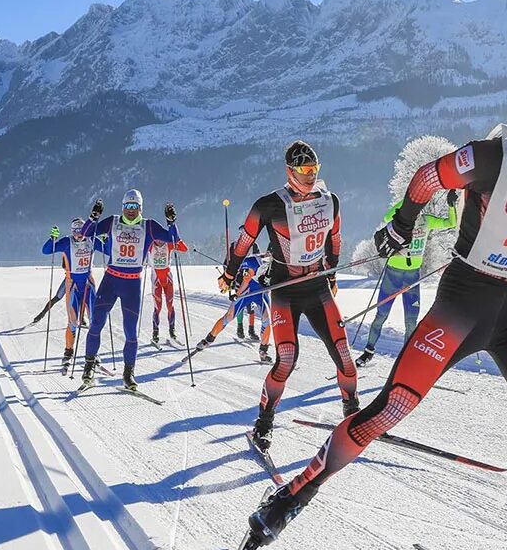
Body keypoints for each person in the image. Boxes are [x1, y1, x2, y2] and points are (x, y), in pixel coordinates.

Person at [248, 67, 507, 550]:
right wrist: (401, 226)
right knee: (387, 411)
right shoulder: (493, 158)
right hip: (464, 301)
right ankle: (292, 496)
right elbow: (428, 177)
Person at [221, 141, 356, 451]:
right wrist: (230, 273)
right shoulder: (269, 205)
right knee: (286, 359)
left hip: (317, 286)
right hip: (285, 289)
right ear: (289, 171)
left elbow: (335, 240)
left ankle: (353, 414)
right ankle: (263, 425)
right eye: (304, 170)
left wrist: (331, 272)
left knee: (345, 356)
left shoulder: (330, 200)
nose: (310, 176)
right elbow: (244, 242)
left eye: (314, 170)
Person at [78, 190, 181, 391]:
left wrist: (171, 222)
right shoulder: (113, 222)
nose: (131, 210)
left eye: (135, 207)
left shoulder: (149, 226)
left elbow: (174, 241)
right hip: (111, 280)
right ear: (123, 206)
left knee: (131, 332)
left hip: (132, 284)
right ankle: (89, 366)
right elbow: (85, 233)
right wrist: (94, 217)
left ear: (140, 208)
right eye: (128, 206)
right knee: (96, 323)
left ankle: (128, 374)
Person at [356, 189, 460, 366]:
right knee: (381, 314)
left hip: (413, 276)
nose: (420, 206)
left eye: (422, 202)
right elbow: (387, 218)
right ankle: (368, 352)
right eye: (417, 202)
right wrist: (406, 205)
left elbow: (451, 223)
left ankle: (406, 358)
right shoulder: (400, 217)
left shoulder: (427, 220)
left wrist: (452, 205)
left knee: (411, 320)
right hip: (393, 274)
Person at [41, 212, 99, 374]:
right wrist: (52, 238)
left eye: (82, 231)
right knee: (73, 321)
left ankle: (93, 353)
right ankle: (68, 352)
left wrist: (107, 239)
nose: (79, 234)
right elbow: (46, 251)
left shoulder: (91, 240)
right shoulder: (67, 242)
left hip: (89, 283)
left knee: (95, 319)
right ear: (71, 231)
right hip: (72, 284)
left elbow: (108, 249)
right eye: (75, 231)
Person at [194, 248, 273, 362]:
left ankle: (263, 351)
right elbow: (246, 281)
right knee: (229, 316)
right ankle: (208, 340)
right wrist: (237, 294)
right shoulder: (253, 261)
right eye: (270, 254)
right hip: (248, 290)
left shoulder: (277, 264)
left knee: (267, 319)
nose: (270, 257)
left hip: (262, 292)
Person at [147, 227, 190, 346]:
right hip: (156, 279)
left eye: (162, 239)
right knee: (158, 307)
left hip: (167, 278)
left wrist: (176, 238)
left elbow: (184, 248)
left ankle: (172, 331)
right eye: (158, 239)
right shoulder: (150, 245)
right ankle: (155, 333)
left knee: (170, 305)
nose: (160, 241)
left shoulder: (169, 244)